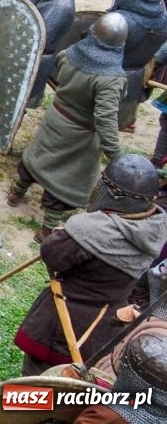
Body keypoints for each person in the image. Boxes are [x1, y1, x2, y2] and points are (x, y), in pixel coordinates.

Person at [12, 154, 166, 375]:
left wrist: (67, 235)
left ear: (112, 193)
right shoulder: (155, 228)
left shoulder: (92, 230)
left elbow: (52, 254)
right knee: (74, 390)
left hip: (64, 322)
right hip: (105, 327)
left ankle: (22, 406)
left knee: (37, 385)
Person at [8, 13, 130, 239]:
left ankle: (16, 193)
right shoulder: (111, 80)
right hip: (79, 136)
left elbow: (58, 72)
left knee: (36, 160)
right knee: (63, 182)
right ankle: (47, 230)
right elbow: (105, 119)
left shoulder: (70, 54)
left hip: (56, 117)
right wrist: (116, 154)